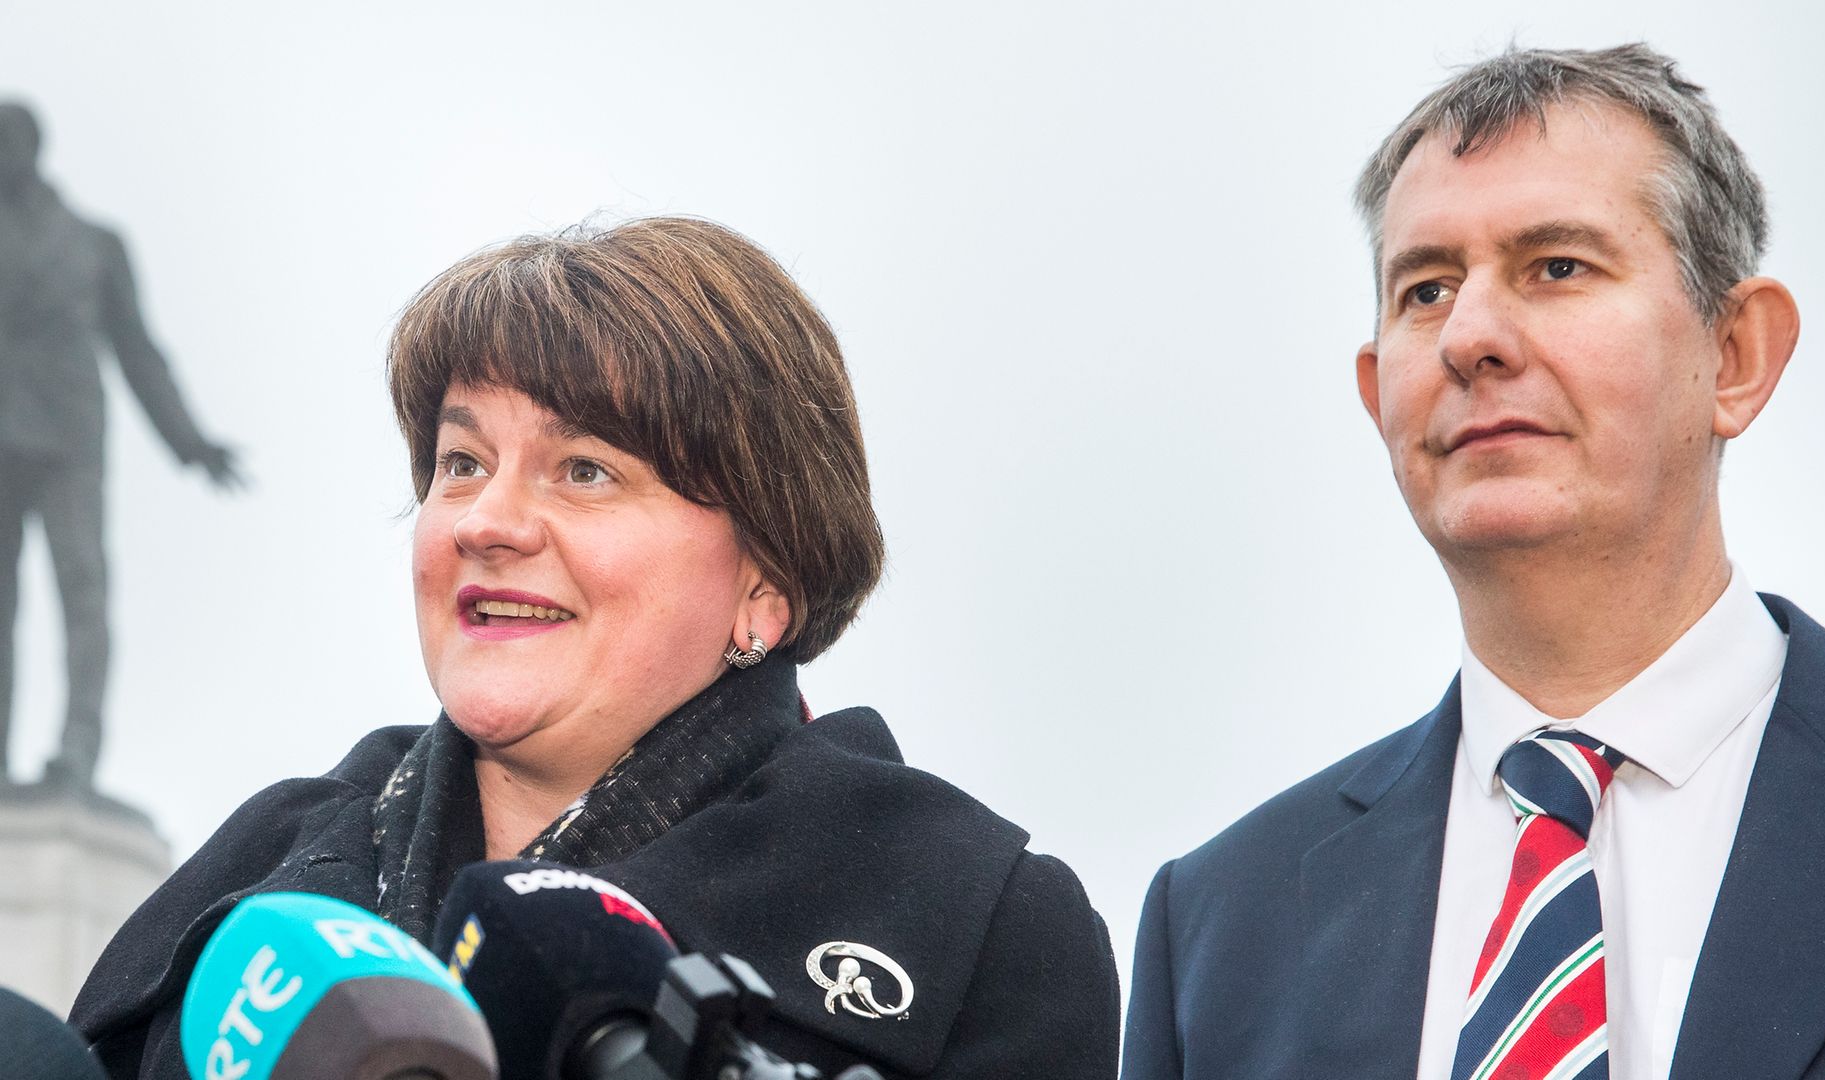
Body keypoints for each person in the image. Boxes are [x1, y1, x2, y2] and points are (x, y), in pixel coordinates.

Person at [69, 217, 1120, 1078]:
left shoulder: (974, 919)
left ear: (768, 584)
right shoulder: (251, 887)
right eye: (462, 461)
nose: (488, 521)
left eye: (584, 470)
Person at [1121, 44, 1825, 1080]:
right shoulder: (1222, 925)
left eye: (1557, 266)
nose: (1471, 337)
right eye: (1426, 289)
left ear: (1736, 357)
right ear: (1378, 398)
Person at [0, 101, 242, 790]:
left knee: (83, 591)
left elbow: (136, 349)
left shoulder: (93, 243)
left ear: (33, 149)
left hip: (68, 434)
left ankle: (77, 749)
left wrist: (192, 443)